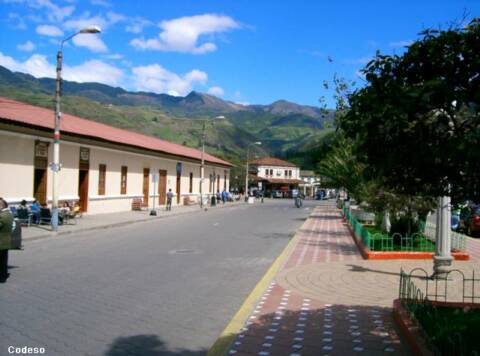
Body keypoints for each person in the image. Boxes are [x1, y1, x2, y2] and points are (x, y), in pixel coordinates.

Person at [0, 198, 14, 283]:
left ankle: (2, 278)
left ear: (1, 206)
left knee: (1, 261)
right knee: (4, 260)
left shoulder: (2, 216)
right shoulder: (9, 214)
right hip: (6, 241)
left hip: (1, 241)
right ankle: (4, 275)